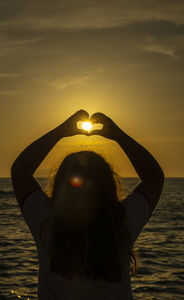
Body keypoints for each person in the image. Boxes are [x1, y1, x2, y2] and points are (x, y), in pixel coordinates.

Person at [11, 109, 164, 300]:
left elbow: (20, 171)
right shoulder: (122, 223)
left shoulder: (46, 223)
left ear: (61, 186)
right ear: (108, 186)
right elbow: (154, 178)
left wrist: (60, 132)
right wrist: (119, 136)